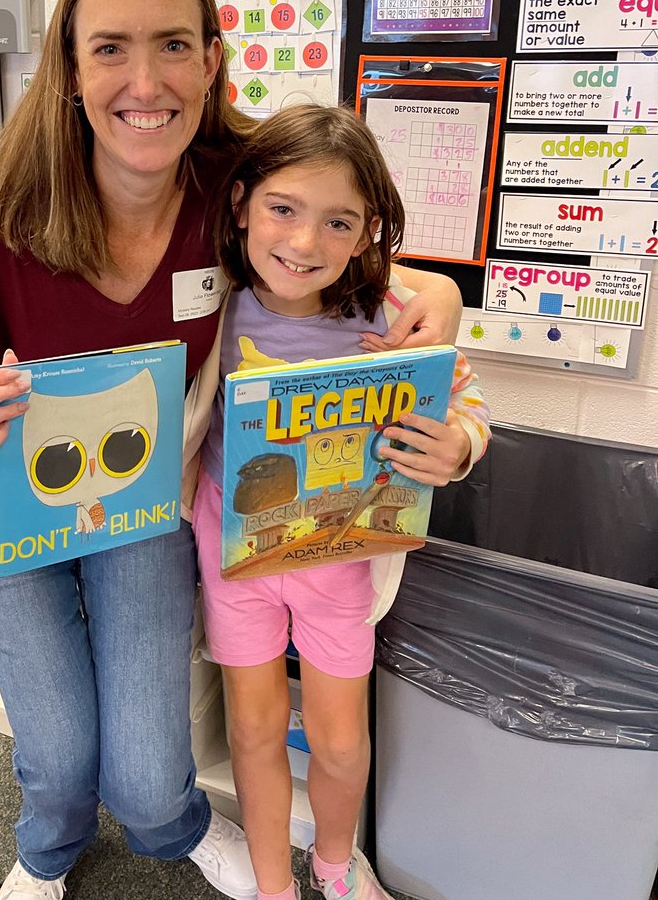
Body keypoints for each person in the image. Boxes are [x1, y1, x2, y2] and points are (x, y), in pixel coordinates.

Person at [0, 0, 465, 900]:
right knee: (58, 745)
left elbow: (333, 237)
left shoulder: (227, 182)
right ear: (70, 70)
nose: (147, 79)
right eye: (110, 48)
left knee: (141, 758)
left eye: (174, 44)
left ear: (211, 60)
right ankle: (46, 850)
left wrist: (443, 303)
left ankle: (172, 823)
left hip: (137, 487)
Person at [192, 104, 491, 900]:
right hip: (237, 552)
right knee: (253, 730)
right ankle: (271, 885)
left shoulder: (392, 317)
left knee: (339, 741)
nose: (302, 242)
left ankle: (335, 866)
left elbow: (468, 406)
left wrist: (457, 445)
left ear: (364, 235)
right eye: (283, 210)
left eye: (337, 222)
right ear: (242, 202)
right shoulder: (212, 307)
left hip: (342, 560)